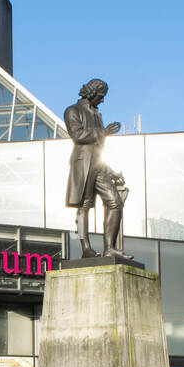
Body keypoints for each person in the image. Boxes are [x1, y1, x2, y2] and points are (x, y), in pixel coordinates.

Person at [64, 78, 126, 259]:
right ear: (92, 93)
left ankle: (110, 248)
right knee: (84, 205)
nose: (103, 100)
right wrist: (103, 133)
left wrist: (111, 170)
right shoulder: (72, 110)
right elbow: (77, 135)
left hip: (98, 166)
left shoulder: (98, 115)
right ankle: (86, 249)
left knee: (115, 202)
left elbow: (97, 149)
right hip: (83, 164)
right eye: (101, 96)